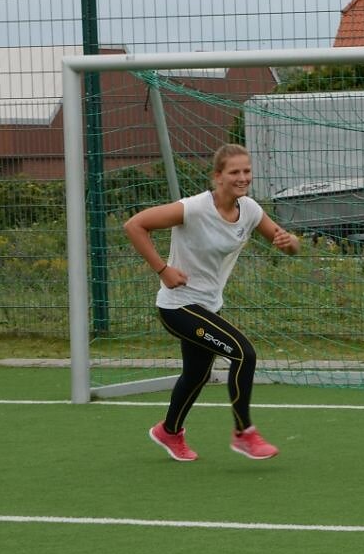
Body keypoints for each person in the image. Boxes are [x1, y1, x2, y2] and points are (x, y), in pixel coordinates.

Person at [123, 143, 299, 462]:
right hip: (178, 306)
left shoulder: (250, 210)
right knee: (243, 354)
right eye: (234, 172)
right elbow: (134, 225)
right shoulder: (192, 208)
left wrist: (290, 243)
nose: (242, 177)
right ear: (217, 176)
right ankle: (244, 433)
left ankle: (169, 431)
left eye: (246, 171)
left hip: (208, 306)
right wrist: (163, 270)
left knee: (196, 375)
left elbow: (283, 241)